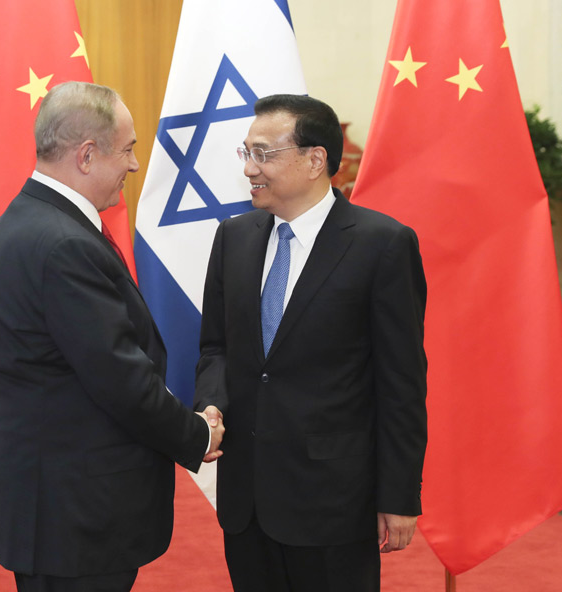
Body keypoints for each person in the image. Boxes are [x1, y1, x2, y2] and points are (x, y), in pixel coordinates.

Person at [0, 81, 224, 592]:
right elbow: (120, 378)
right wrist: (196, 434)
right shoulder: (63, 243)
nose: (134, 165)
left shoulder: (31, 219)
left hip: (56, 505)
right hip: (73, 516)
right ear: (87, 155)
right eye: (127, 150)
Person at [194, 94, 427, 591]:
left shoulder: (382, 245)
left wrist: (399, 495)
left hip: (334, 501)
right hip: (246, 498)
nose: (249, 169)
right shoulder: (233, 237)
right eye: (247, 153)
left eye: (263, 154)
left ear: (315, 159)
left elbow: (401, 384)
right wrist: (212, 403)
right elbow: (216, 347)